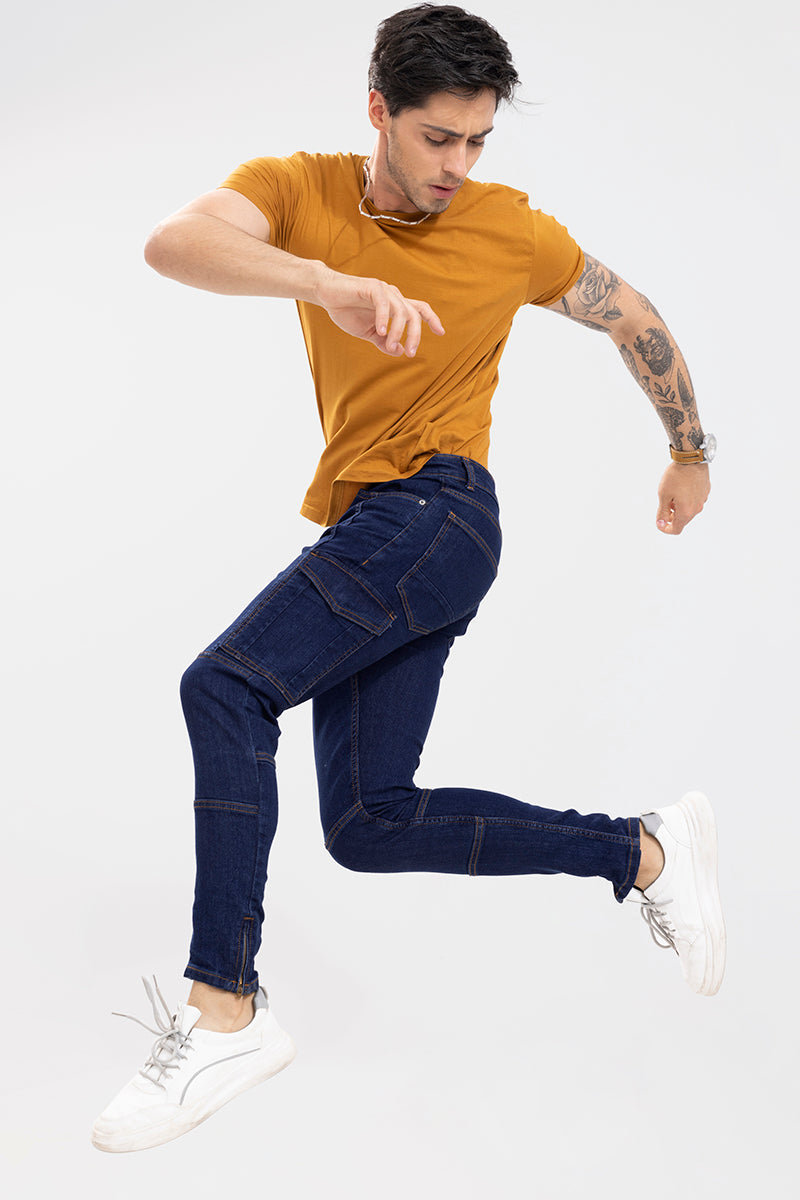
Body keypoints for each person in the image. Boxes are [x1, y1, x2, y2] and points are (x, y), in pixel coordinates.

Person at [92, 4, 725, 1154]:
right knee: (368, 824)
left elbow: (628, 314)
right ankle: (640, 851)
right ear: (378, 110)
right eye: (437, 138)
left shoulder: (508, 229)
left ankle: (222, 1006)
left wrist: (687, 449)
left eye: (476, 141)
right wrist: (325, 283)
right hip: (384, 529)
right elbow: (173, 244)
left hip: (435, 512)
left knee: (224, 688)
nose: (456, 165)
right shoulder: (299, 190)